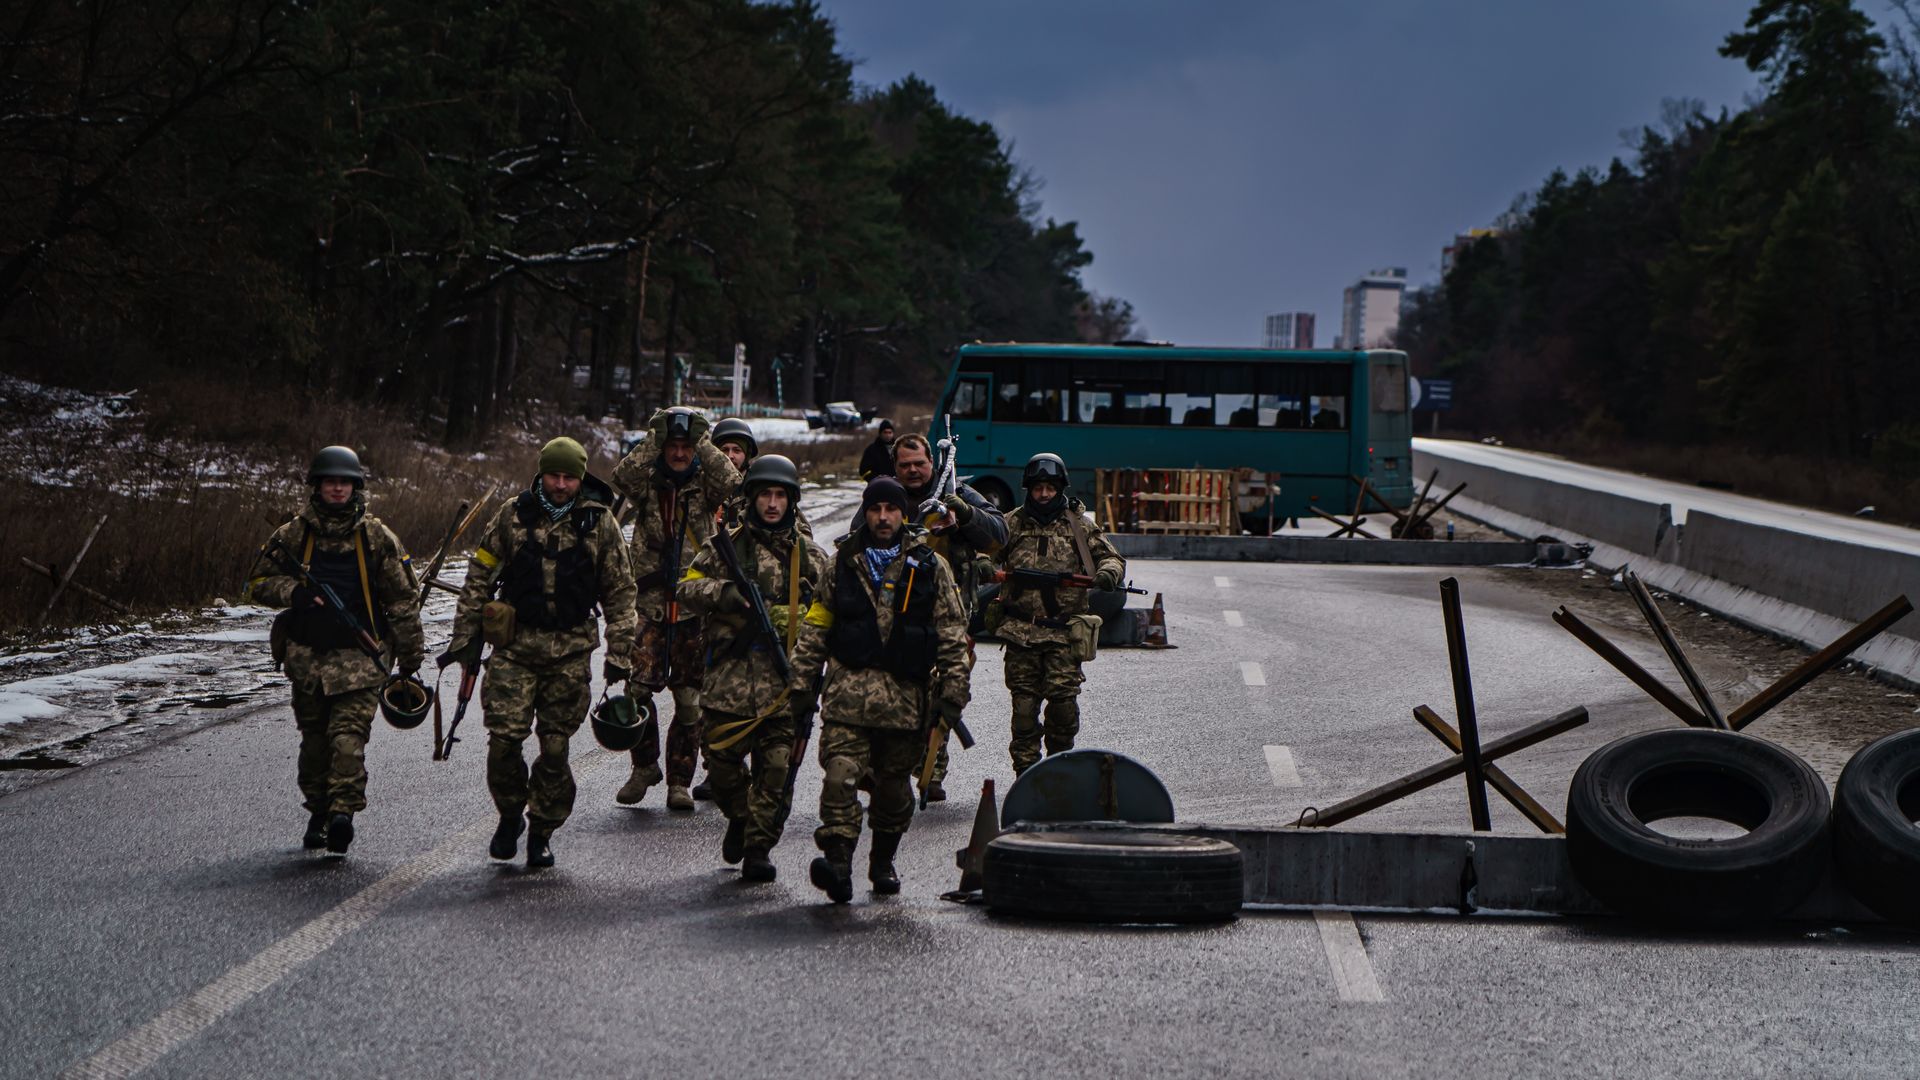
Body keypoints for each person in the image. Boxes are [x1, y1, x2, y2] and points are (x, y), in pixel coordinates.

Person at [443, 437, 637, 868]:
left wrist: (619, 654)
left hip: (569, 651)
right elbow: (478, 577)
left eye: (570, 477)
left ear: (582, 477)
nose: (562, 485)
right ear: (541, 473)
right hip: (514, 647)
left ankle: (543, 830)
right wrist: (465, 637)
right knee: (504, 742)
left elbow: (622, 593)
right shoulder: (512, 515)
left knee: (554, 747)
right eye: (555, 475)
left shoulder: (599, 523)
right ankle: (510, 814)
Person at [789, 477, 971, 903]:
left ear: (903, 514)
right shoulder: (841, 564)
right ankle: (837, 863)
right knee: (838, 779)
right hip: (847, 698)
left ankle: (882, 861)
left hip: (904, 704)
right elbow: (816, 626)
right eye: (875, 509)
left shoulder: (929, 567)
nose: (883, 517)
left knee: (893, 794)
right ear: (866, 513)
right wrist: (800, 684)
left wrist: (953, 694)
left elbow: (951, 633)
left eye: (891, 509)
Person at [246, 446, 426, 856]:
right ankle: (318, 812)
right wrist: (295, 592)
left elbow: (401, 599)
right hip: (307, 660)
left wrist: (412, 655)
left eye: (345, 482)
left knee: (348, 739)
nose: (338, 488)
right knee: (314, 743)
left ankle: (342, 814)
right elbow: (255, 583)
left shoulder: (377, 537)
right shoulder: (293, 535)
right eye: (331, 482)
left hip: (361, 661)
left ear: (356, 486)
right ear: (318, 486)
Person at [677, 455, 828, 882]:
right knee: (722, 766)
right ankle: (741, 818)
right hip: (730, 682)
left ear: (792, 500)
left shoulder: (811, 558)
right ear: (753, 498)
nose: (773, 504)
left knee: (777, 771)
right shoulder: (725, 547)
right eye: (766, 495)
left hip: (786, 685)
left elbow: (832, 613)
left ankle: (759, 847)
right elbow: (685, 588)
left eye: (781, 496)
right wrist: (720, 593)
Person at [609, 407, 740, 811]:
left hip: (693, 608)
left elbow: (735, 483)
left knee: (689, 702)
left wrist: (703, 440)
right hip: (649, 605)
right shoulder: (648, 482)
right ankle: (644, 766)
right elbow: (621, 478)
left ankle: (679, 782)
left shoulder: (706, 486)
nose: (679, 454)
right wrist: (655, 437)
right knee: (637, 692)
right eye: (673, 446)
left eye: (686, 447)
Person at [890, 432, 1007, 802]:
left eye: (919, 464)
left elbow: (998, 533)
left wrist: (965, 516)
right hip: (896, 609)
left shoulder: (957, 492)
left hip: (950, 610)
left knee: (943, 691)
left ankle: (931, 771)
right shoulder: (886, 497)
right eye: (904, 465)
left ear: (933, 463)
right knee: (900, 692)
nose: (912, 471)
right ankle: (891, 771)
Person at [992, 453, 1126, 776]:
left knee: (1063, 709)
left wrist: (1108, 574)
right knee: (1024, 710)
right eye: (1038, 488)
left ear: (1060, 488)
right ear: (1029, 489)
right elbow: (987, 555)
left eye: (1050, 488)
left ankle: (1058, 769)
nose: (1044, 495)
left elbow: (1112, 558)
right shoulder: (1011, 523)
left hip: (1063, 636)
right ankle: (1026, 776)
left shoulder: (1079, 525)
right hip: (1021, 633)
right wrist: (987, 566)